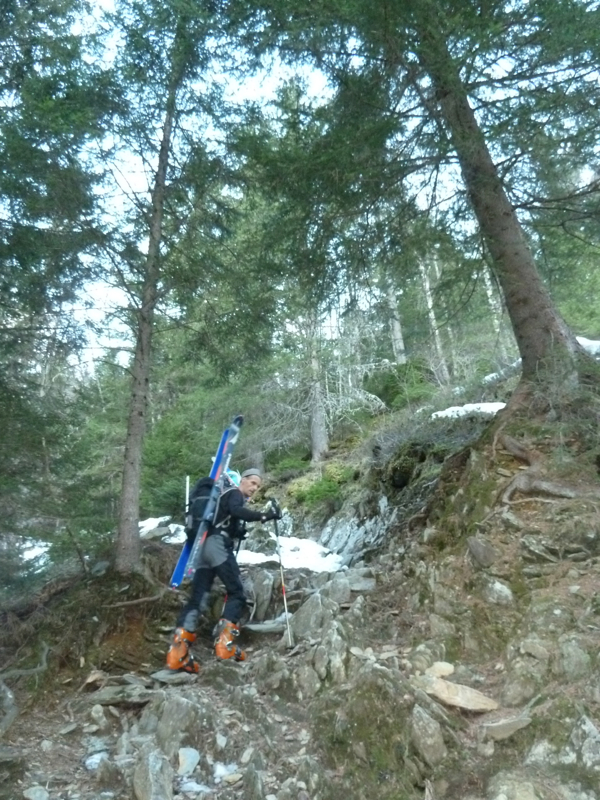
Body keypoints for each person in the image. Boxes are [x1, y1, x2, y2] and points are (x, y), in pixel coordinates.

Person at [166, 468, 281, 672]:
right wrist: (265, 516)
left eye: (258, 485)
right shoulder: (233, 493)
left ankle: (178, 653)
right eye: (252, 483)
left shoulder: (221, 498)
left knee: (197, 598)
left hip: (201, 549)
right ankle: (225, 645)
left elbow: (230, 518)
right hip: (217, 546)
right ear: (242, 481)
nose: (254, 488)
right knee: (237, 591)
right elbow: (237, 511)